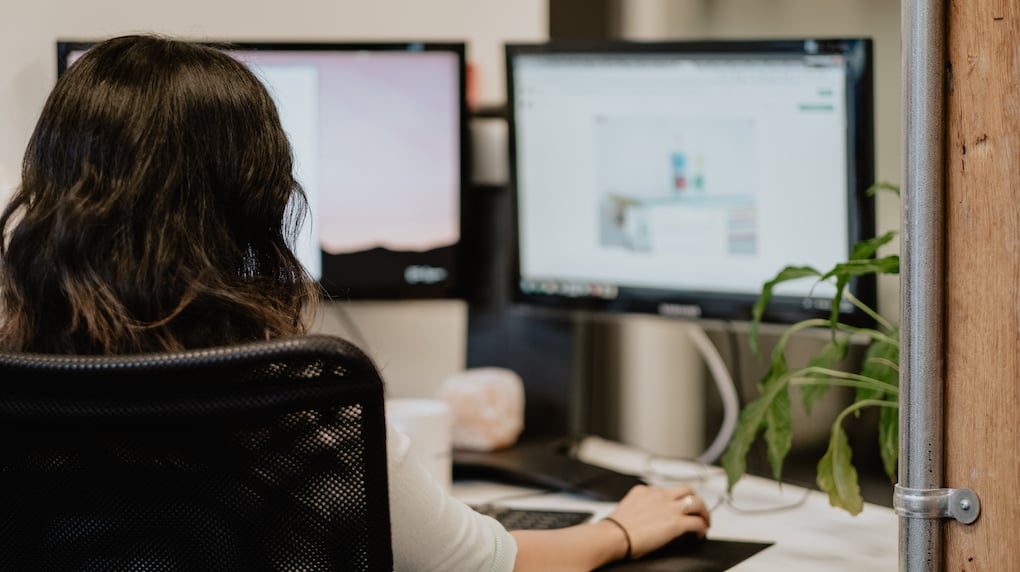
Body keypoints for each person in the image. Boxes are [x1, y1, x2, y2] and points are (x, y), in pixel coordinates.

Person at [0, 35, 711, 571]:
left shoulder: (21, 383)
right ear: (256, 203)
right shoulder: (299, 402)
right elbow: (488, 564)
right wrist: (620, 530)